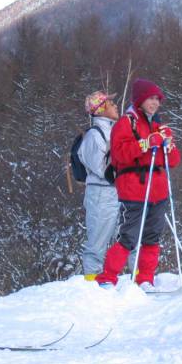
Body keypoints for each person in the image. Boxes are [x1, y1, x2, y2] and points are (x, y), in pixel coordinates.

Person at [96, 79, 181, 291]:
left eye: (157, 99)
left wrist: (168, 147)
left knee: (152, 236)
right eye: (150, 98)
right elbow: (120, 154)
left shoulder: (159, 126)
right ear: (140, 100)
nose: (154, 103)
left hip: (158, 190)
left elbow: (174, 161)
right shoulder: (126, 123)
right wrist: (145, 144)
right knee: (129, 236)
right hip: (134, 189)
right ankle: (107, 277)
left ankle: (145, 279)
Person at [79, 91, 120, 281]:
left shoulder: (114, 130)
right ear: (101, 109)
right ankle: (91, 285)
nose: (115, 105)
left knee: (129, 238)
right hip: (101, 194)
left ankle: (131, 280)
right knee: (97, 242)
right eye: (111, 103)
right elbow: (104, 170)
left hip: (117, 192)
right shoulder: (93, 136)